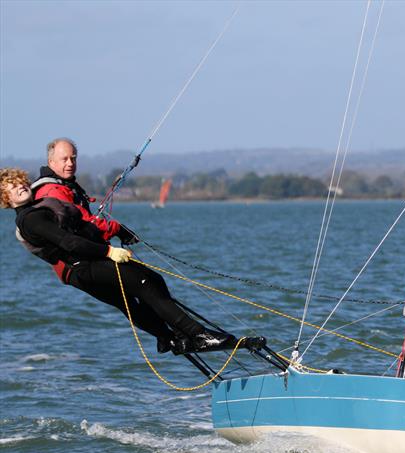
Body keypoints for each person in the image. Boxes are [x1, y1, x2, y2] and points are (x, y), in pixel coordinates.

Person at [1, 167, 236, 355]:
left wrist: (109, 234)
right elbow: (69, 243)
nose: (20, 186)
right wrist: (108, 252)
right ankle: (199, 336)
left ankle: (171, 338)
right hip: (85, 266)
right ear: (6, 199)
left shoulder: (37, 209)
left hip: (83, 268)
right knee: (144, 282)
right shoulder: (30, 219)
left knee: (139, 293)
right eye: (12, 187)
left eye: (21, 182)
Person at [30, 138, 137, 283]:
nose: (70, 163)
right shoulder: (52, 190)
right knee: (147, 283)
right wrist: (118, 229)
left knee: (148, 287)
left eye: (73, 159)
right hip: (76, 265)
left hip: (86, 257)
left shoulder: (65, 184)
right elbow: (85, 221)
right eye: (64, 159)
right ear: (51, 162)